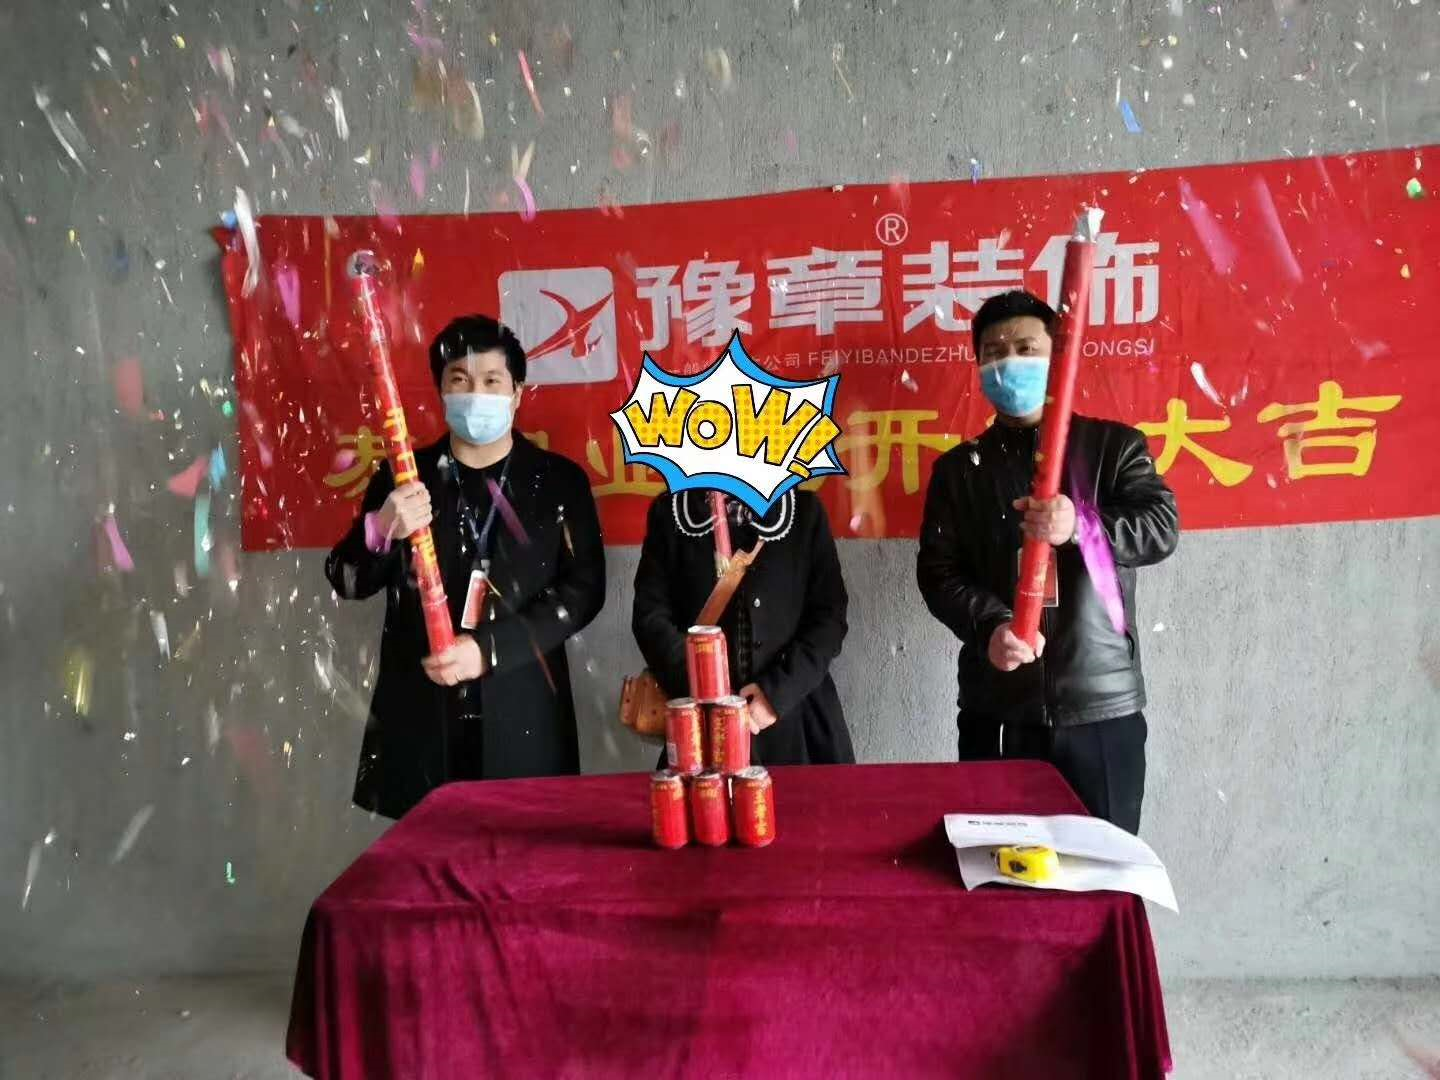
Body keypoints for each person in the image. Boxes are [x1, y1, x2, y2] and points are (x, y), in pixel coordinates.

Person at [916, 290, 1179, 832]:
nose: (1008, 362)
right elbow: (938, 573)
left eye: (1025, 348)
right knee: (1000, 862)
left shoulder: (1114, 447)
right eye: (994, 353)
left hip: (1099, 703)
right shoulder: (959, 471)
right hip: (998, 707)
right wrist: (990, 625)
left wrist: (1081, 526)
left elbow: (1160, 528)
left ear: (1057, 359)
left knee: (1101, 861)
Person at [326, 314, 606, 818]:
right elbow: (346, 580)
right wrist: (380, 527)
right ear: (441, 391)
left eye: (492, 381)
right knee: (428, 860)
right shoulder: (403, 477)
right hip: (422, 717)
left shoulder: (559, 481)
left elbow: (584, 591)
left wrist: (488, 651)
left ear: (517, 393)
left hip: (524, 714)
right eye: (460, 380)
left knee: (525, 858)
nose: (476, 394)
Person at [632, 488, 853, 765]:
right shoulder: (671, 514)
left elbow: (829, 618)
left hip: (795, 719)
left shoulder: (804, 513)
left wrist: (776, 694)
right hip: (701, 723)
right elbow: (649, 617)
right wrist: (702, 685)